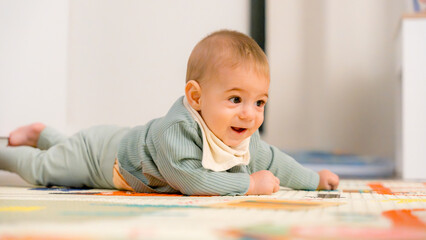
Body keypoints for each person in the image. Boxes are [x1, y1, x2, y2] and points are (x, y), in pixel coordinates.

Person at [0, 30, 339, 196]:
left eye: (259, 102)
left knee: (64, 148)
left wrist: (315, 181)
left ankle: (43, 133)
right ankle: (8, 153)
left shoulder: (240, 135)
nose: (249, 115)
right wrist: (249, 184)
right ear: (196, 96)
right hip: (102, 157)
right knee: (45, 168)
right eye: (236, 100)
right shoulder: (176, 131)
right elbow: (192, 180)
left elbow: (275, 161)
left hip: (109, 143)